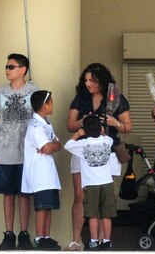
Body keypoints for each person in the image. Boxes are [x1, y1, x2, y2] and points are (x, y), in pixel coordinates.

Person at [65, 63, 133, 251]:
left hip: (107, 152)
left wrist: (115, 122)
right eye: (86, 80)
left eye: (92, 80)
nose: (88, 84)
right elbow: (70, 125)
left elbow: (128, 126)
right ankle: (76, 240)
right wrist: (83, 121)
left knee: (104, 197)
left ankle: (103, 241)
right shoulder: (81, 98)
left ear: (102, 81)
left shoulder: (116, 98)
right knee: (80, 195)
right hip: (83, 149)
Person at [0, 54, 39, 250]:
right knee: (8, 194)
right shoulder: (0, 92)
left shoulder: (34, 90)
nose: (7, 70)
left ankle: (24, 232)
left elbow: (40, 119)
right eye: (6, 66)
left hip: (27, 152)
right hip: (6, 152)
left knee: (24, 193)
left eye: (11, 66)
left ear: (23, 69)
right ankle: (9, 233)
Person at [65, 116, 117, 251]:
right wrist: (103, 132)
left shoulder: (83, 144)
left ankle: (93, 241)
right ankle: (107, 241)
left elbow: (67, 145)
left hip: (92, 185)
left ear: (85, 131)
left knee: (93, 215)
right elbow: (109, 138)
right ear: (101, 128)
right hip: (107, 183)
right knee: (106, 214)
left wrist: (78, 134)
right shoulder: (107, 141)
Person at [24, 90, 62, 251]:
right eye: (51, 102)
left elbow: (57, 144)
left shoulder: (46, 123)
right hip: (39, 173)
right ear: (45, 105)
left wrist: (51, 145)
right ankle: (40, 238)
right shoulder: (35, 126)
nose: (52, 104)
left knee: (49, 206)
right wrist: (51, 145)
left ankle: (46, 236)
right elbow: (47, 148)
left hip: (48, 172)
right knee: (42, 206)